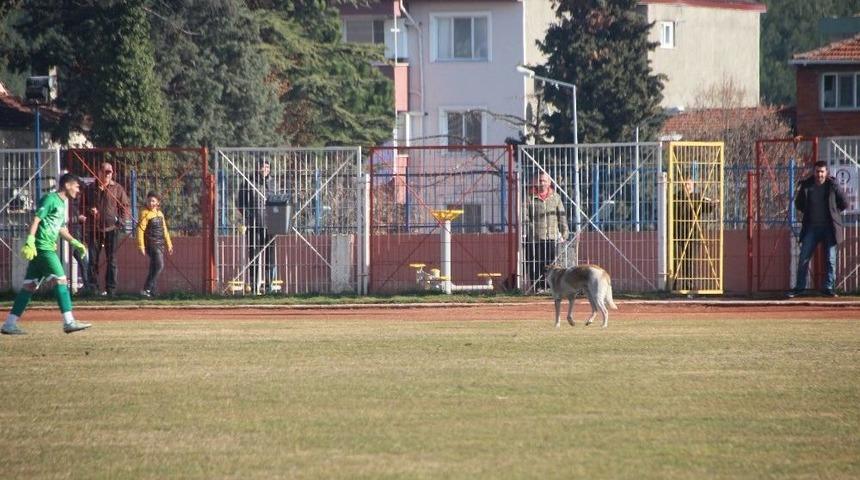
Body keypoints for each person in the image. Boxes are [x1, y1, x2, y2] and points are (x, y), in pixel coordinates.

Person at [1, 173, 92, 335]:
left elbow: (61, 228)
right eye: (77, 187)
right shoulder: (50, 199)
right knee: (61, 281)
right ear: (67, 185)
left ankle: (9, 324)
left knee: (28, 287)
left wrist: (75, 242)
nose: (79, 191)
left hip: (44, 249)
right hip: (43, 249)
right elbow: (36, 219)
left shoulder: (63, 204)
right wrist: (30, 240)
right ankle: (69, 322)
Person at [787, 161, 848, 298]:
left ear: (826, 173)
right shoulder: (807, 185)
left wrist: (834, 212)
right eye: (817, 171)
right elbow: (799, 204)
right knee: (803, 257)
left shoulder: (832, 186)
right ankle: (799, 288)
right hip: (812, 228)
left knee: (831, 259)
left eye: (822, 172)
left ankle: (828, 288)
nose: (819, 174)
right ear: (814, 172)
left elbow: (844, 202)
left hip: (829, 228)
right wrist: (808, 212)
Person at [83, 162, 130, 296]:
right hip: (94, 228)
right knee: (93, 259)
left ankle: (111, 290)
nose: (107, 175)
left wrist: (121, 220)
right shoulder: (90, 188)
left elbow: (125, 206)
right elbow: (82, 205)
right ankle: (93, 288)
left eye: (109, 173)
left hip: (112, 229)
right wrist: (88, 210)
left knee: (112, 260)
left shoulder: (117, 189)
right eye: (105, 172)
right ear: (99, 172)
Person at [523, 172, 568, 292]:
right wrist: (532, 229)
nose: (542, 183)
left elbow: (561, 216)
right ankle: (537, 287)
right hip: (535, 238)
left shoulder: (556, 197)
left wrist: (564, 233)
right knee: (535, 263)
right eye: (540, 180)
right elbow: (524, 216)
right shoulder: (529, 197)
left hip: (551, 237)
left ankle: (548, 287)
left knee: (549, 263)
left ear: (549, 182)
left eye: (544, 180)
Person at [236, 159, 275, 294]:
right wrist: (248, 216)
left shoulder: (273, 183)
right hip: (254, 224)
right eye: (262, 166)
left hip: (271, 224)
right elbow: (240, 203)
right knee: (253, 255)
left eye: (267, 167)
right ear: (257, 168)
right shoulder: (248, 182)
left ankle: (269, 286)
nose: (265, 169)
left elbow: (279, 200)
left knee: (270, 256)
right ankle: (254, 286)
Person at [672, 178, 718, 291]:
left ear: (693, 185)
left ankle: (689, 286)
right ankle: (673, 286)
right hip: (678, 233)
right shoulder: (676, 197)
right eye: (685, 184)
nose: (687, 186)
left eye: (689, 184)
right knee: (676, 260)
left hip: (692, 234)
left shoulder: (697, 197)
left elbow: (707, 208)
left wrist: (713, 204)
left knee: (689, 260)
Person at [137, 192, 174, 298]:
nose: (150, 203)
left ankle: (152, 291)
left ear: (158, 202)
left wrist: (169, 244)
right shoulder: (145, 213)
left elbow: (165, 230)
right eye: (149, 200)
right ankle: (146, 288)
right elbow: (140, 230)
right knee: (159, 265)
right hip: (151, 244)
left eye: (153, 201)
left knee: (154, 267)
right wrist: (141, 246)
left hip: (161, 244)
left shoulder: (160, 213)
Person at [68, 188, 90, 293]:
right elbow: (64, 219)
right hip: (67, 238)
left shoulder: (83, 205)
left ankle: (87, 286)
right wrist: (78, 218)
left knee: (84, 263)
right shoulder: (67, 203)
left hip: (79, 238)